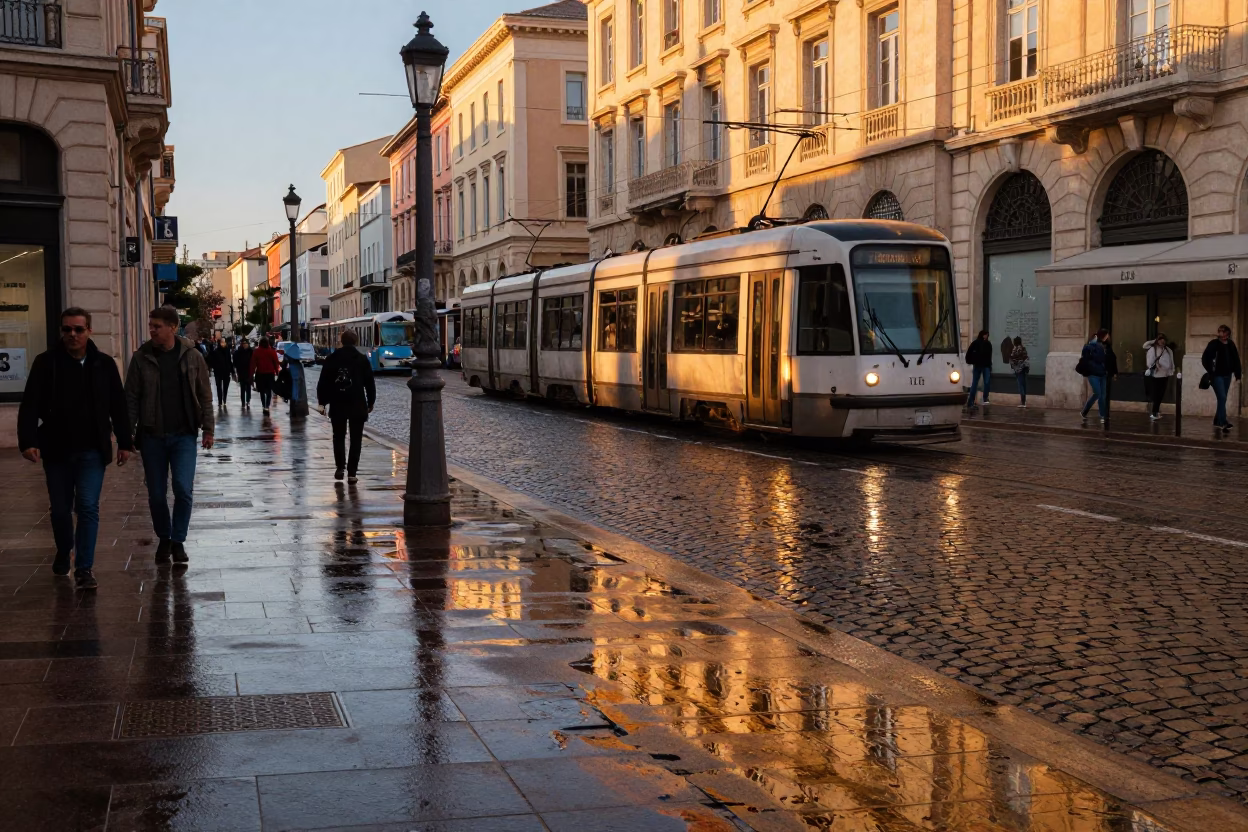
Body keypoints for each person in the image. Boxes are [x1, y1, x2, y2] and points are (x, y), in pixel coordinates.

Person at [17, 308, 133, 590]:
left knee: (87, 507)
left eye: (78, 329)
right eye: (67, 329)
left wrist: (125, 441)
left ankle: (84, 568)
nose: (72, 335)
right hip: (56, 450)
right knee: (59, 510)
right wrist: (28, 441)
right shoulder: (46, 363)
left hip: (92, 449)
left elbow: (118, 405)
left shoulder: (104, 364)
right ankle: (63, 548)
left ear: (89, 331)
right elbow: (30, 404)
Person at [125, 307, 215, 565]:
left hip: (184, 434)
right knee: (155, 493)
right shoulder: (141, 358)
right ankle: (164, 538)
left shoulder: (192, 356)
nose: (152, 329)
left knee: (183, 489)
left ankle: (178, 540)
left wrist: (208, 429)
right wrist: (126, 433)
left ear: (173, 327)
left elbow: (205, 395)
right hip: (152, 435)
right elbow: (131, 398)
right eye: (151, 325)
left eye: (157, 326)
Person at [317, 329, 376, 483]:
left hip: (338, 403)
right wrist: (371, 401)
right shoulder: (362, 359)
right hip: (357, 403)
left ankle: (340, 468)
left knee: (338, 437)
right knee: (356, 439)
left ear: (341, 342)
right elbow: (369, 383)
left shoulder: (332, 358)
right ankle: (352, 473)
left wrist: (322, 402)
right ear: (355, 341)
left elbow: (323, 382)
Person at [1202, 324, 1243, 432]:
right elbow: (1205, 358)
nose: (1223, 334)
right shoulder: (1214, 344)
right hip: (1217, 376)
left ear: (1227, 333)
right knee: (1223, 397)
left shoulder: (1230, 344)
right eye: (1221, 332)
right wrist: (1211, 371)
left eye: (1224, 332)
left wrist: (1238, 374)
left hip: (1227, 375)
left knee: (1222, 399)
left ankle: (1217, 420)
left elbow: (1236, 359)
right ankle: (1223, 422)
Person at [1080, 329, 1110, 424]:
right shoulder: (1090, 346)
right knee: (1098, 393)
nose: (1108, 337)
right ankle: (1085, 411)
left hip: (1102, 374)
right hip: (1093, 374)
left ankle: (1102, 415)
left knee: (1102, 395)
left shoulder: (1105, 346)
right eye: (1107, 335)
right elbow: (1087, 358)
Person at [1143, 334, 1176, 421]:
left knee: (1161, 394)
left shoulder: (1168, 350)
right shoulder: (1153, 349)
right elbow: (1145, 347)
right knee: (1156, 395)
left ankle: (1156, 412)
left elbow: (1171, 361)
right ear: (1157, 340)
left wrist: (1171, 370)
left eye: (1163, 339)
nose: (1162, 341)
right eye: (1160, 339)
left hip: (1165, 375)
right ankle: (1154, 413)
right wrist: (1153, 341)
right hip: (1156, 375)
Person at [250, 336, 281, 414]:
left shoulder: (256, 351)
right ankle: (267, 406)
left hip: (260, 374)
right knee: (269, 391)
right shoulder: (272, 351)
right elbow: (275, 363)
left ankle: (264, 405)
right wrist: (277, 373)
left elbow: (253, 364)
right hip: (270, 374)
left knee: (261, 391)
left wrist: (251, 374)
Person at [964, 330, 993, 409]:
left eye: (987, 335)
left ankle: (983, 399)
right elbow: (969, 353)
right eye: (986, 335)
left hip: (983, 365)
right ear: (983, 335)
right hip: (980, 365)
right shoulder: (977, 343)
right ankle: (972, 401)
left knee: (981, 383)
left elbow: (989, 356)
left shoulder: (987, 343)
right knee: (976, 383)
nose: (986, 336)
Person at [207, 336, 233, 407]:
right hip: (218, 372)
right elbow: (210, 359)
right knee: (218, 387)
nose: (223, 344)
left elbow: (229, 361)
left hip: (226, 372)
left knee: (225, 387)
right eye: (222, 342)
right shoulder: (216, 352)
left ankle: (224, 399)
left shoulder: (227, 351)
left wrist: (232, 371)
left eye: (224, 342)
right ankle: (220, 401)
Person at [233, 337, 255, 409]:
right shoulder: (238, 352)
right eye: (244, 344)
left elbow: (253, 361)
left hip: (248, 372)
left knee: (248, 387)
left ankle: (248, 401)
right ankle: (243, 402)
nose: (245, 345)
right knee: (242, 388)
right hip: (241, 372)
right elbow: (235, 362)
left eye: (246, 343)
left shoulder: (251, 351)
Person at [1009, 336, 1030, 408]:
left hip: (1018, 369)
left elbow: (1012, 358)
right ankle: (1024, 401)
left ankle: (1022, 402)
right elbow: (1026, 358)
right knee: (1023, 384)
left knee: (1020, 385)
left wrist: (1014, 365)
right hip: (1023, 368)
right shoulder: (1023, 349)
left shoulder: (1015, 349)